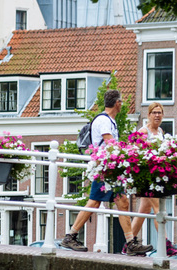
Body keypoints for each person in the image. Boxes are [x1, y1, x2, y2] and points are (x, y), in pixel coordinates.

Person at [59, 89, 150, 254]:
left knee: (122, 202)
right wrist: (129, 152)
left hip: (110, 169)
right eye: (121, 102)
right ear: (117, 103)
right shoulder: (104, 121)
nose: (122, 104)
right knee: (94, 201)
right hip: (105, 169)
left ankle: (130, 243)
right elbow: (110, 144)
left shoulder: (109, 121)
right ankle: (70, 236)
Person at [128, 103, 168, 255]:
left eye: (160, 113)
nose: (157, 115)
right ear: (149, 115)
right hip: (147, 177)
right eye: (154, 112)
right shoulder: (143, 131)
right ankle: (166, 244)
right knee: (158, 208)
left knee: (144, 210)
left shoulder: (160, 131)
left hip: (156, 175)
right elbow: (134, 151)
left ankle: (129, 245)